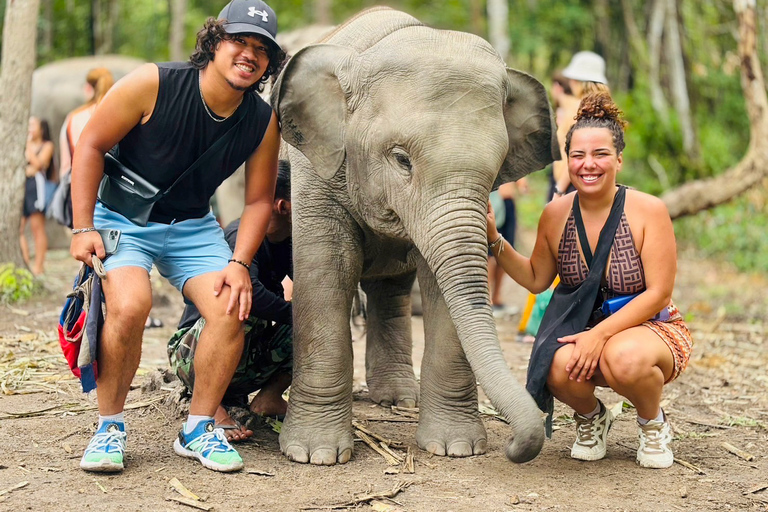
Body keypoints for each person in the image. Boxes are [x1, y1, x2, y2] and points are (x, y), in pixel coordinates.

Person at [70, 0, 285, 474]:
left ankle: (198, 428)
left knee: (230, 305)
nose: (249, 54)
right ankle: (109, 427)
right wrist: (83, 225)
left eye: (261, 48)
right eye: (239, 41)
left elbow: (257, 202)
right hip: (123, 217)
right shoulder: (154, 83)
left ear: (269, 62)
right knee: (130, 305)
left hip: (192, 224)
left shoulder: (261, 120)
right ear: (214, 42)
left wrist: (240, 262)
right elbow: (90, 144)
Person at [487, 93, 693, 469]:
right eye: (578, 156)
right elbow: (535, 279)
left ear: (619, 159)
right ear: (568, 161)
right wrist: (493, 238)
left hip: (652, 329)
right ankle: (593, 417)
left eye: (600, 154)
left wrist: (598, 336)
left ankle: (652, 423)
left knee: (623, 357)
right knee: (554, 364)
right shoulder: (555, 215)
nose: (588, 165)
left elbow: (659, 293)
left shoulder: (649, 210)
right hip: (583, 329)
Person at [168, 159, 293, 443]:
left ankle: (269, 398)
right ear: (283, 206)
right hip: (193, 350)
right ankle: (213, 408)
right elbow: (255, 295)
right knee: (240, 306)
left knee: (317, 326)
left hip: (244, 350)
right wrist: (295, 314)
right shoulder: (242, 235)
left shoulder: (290, 241)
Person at [551, 51, 610, 201]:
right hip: (594, 184)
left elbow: (577, 156)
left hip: (573, 185)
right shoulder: (605, 108)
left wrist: (559, 190)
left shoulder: (582, 109)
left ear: (578, 81)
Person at [59, 68, 115, 179]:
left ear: (88, 88)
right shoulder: (118, 115)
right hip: (112, 186)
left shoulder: (74, 117)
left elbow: (66, 164)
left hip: (80, 183)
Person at [487, 178, 527, 312]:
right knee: (490, 254)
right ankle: (488, 300)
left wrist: (521, 183)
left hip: (509, 203)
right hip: (495, 202)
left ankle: (497, 297)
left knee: (505, 250)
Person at [21, 117, 54, 275]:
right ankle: (25, 263)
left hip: (37, 189)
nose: (30, 128)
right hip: (23, 187)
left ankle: (39, 267)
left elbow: (39, 164)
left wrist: (27, 145)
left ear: (41, 129)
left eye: (33, 125)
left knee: (37, 228)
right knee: (19, 228)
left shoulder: (47, 146)